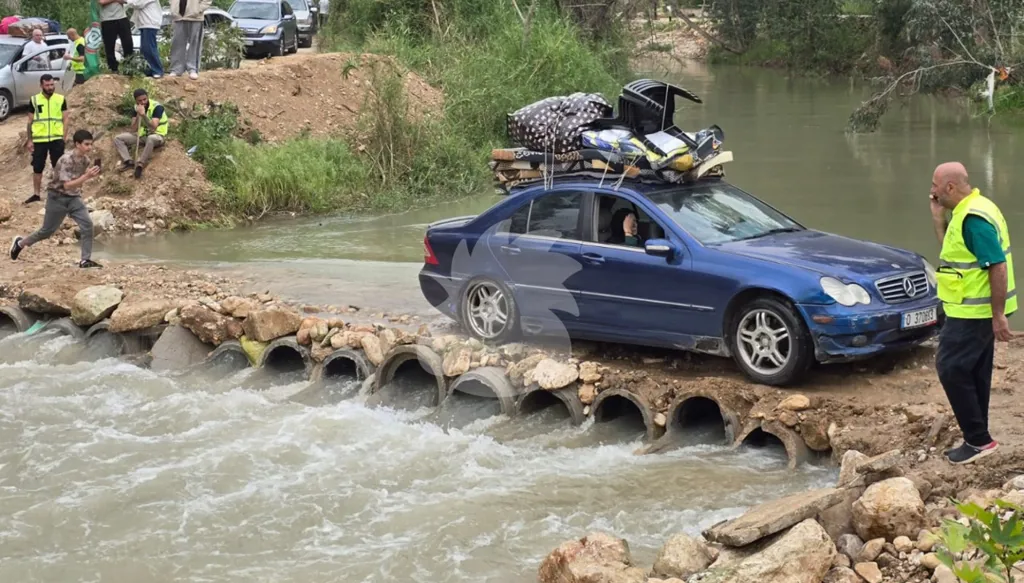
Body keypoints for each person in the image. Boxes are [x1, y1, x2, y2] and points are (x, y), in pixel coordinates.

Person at [929, 161, 1015, 465]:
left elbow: (997, 266)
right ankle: (980, 438)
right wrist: (938, 218)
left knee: (950, 368)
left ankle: (978, 440)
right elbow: (952, 255)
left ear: (950, 187)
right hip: (966, 307)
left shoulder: (974, 219)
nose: (932, 191)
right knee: (975, 369)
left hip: (975, 312)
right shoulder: (969, 210)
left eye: (935, 186)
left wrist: (998, 315)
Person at [9, 129, 102, 269]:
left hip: (74, 197)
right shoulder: (66, 159)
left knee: (87, 225)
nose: (89, 147)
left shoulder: (85, 160)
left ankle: (85, 260)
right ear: (77, 144)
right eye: (86, 144)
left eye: (91, 144)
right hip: (57, 197)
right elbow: (66, 185)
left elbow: (76, 182)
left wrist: (87, 177)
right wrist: (86, 177)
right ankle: (20, 243)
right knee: (47, 231)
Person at [24, 74, 69, 205]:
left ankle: (59, 192)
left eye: (52, 85)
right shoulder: (34, 100)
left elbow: (66, 119)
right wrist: (30, 140)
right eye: (47, 85)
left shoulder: (60, 99)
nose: (50, 87)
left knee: (58, 166)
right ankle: (36, 194)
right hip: (40, 139)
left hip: (56, 138)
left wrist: (63, 137)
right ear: (41, 85)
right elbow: (30, 121)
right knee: (37, 167)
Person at [113, 88, 168, 178]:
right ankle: (128, 161)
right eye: (140, 100)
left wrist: (144, 115)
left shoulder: (157, 107)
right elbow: (133, 129)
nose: (143, 102)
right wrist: (138, 115)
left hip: (158, 135)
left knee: (151, 138)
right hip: (143, 136)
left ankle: (140, 164)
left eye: (144, 99)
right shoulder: (136, 108)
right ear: (136, 101)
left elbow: (153, 127)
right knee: (118, 138)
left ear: (148, 97)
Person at [169, 0, 213, 79]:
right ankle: (176, 69)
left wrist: (197, 9)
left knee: (194, 43)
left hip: (195, 17)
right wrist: (173, 6)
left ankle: (193, 69)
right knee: (177, 43)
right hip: (178, 16)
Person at [128, 0, 164, 78]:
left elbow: (137, 4)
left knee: (149, 47)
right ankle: (148, 69)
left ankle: (157, 70)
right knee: (144, 49)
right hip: (143, 23)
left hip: (150, 23)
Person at [99, 0, 134, 73]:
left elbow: (126, 1)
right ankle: (113, 68)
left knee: (128, 43)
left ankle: (128, 66)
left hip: (122, 17)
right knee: (109, 45)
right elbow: (102, 2)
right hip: (107, 19)